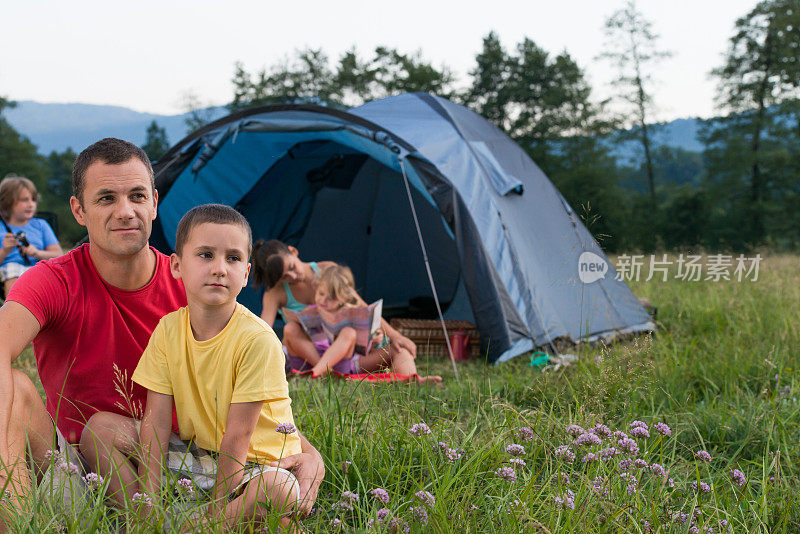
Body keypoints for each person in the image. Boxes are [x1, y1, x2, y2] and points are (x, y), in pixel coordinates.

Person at [0, 138, 323, 519]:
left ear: (154, 202)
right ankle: (22, 522)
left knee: (274, 499)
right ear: (79, 210)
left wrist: (307, 451)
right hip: (77, 463)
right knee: (15, 386)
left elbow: (250, 378)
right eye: (106, 198)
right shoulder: (53, 281)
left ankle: (179, 521)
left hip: (189, 459)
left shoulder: (195, 285)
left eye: (137, 196)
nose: (126, 212)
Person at [82, 204, 308, 530]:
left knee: (282, 490)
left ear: (245, 274)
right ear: (176, 266)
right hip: (198, 455)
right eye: (205, 255)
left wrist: (219, 505)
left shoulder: (257, 339)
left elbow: (238, 437)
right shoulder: (169, 330)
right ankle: (146, 518)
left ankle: (204, 524)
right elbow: (156, 421)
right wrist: (150, 489)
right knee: (99, 429)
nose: (219, 268)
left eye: (232, 258)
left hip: (256, 465)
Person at [253, 239, 441, 382]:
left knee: (399, 349)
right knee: (290, 330)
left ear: (293, 251)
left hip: (347, 359)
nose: (294, 277)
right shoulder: (275, 293)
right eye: (285, 277)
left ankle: (412, 381)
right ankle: (322, 372)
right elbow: (263, 332)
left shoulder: (327, 270)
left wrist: (395, 336)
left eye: (292, 268)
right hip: (311, 359)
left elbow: (363, 308)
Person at [0, 175, 63, 296]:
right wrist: (5, 251)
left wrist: (36, 253)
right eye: (24, 200)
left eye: (33, 200)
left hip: (38, 269)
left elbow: (58, 255)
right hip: (10, 272)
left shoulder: (41, 225)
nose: (31, 204)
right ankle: (16, 312)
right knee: (12, 270)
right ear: (7, 202)